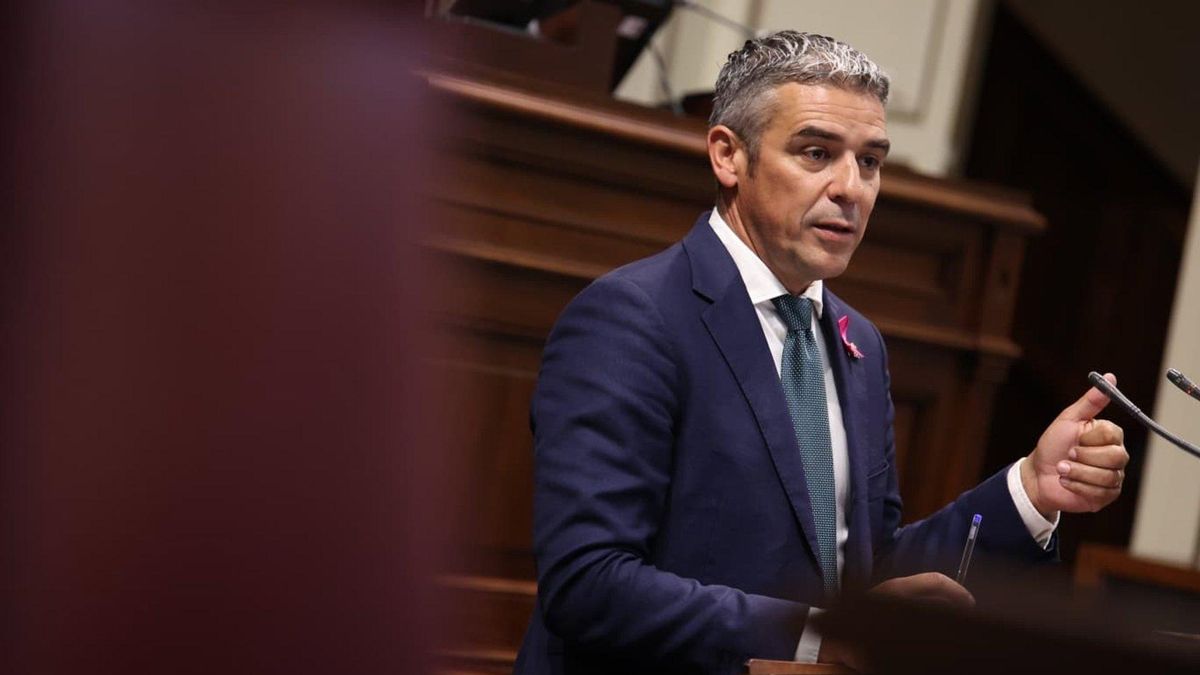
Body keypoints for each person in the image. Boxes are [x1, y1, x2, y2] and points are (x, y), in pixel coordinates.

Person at [513, 31, 1129, 675]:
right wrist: (813, 636)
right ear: (728, 155)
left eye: (870, 161)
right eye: (816, 153)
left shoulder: (859, 341)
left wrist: (1031, 489)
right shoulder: (632, 318)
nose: (851, 188)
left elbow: (868, 578)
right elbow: (588, 583)